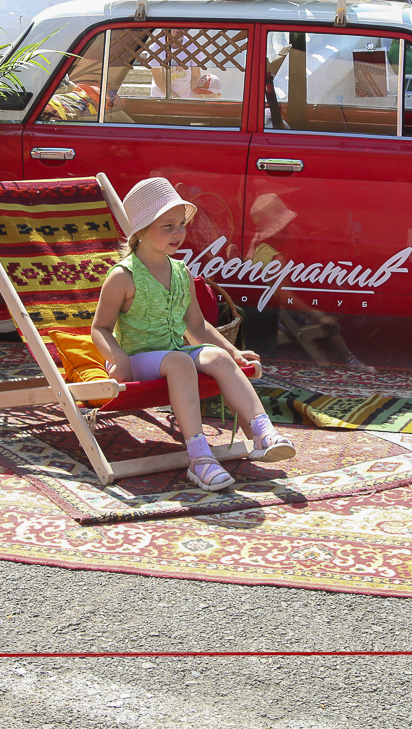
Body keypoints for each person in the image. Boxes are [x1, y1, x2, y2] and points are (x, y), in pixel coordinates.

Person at [91, 177, 296, 493]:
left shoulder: (180, 271)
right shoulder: (123, 276)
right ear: (141, 232)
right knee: (179, 362)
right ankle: (199, 459)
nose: (178, 233)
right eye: (167, 226)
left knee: (215, 356)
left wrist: (233, 352)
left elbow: (197, 328)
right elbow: (100, 327)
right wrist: (116, 357)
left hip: (173, 354)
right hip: (139, 358)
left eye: (180, 225)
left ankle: (261, 430)